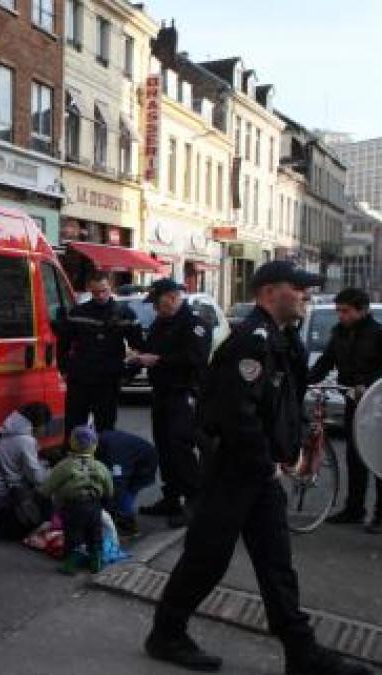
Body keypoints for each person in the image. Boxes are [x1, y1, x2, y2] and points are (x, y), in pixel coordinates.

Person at [145, 261, 371, 675]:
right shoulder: (250, 342)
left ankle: (301, 653)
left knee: (276, 564)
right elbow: (235, 415)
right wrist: (266, 462)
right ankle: (166, 633)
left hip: (259, 473)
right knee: (207, 558)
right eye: (298, 288)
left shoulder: (282, 340)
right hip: (233, 471)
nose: (306, 296)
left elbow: (282, 404)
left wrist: (299, 445)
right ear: (269, 292)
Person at [132, 278, 212, 528]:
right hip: (162, 392)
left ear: (171, 298)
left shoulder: (195, 324)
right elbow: (150, 347)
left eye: (157, 303)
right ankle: (171, 497)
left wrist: (158, 360)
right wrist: (136, 353)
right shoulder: (161, 323)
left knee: (180, 446)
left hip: (183, 392)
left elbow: (195, 358)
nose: (155, 308)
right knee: (164, 446)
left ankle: (195, 500)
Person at [308, 287, 382, 532]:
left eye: (346, 311)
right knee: (354, 455)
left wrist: (368, 384)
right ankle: (354, 508)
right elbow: (325, 362)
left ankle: (380, 515)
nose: (341, 316)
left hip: (376, 405)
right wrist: (305, 381)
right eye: (339, 311)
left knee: (377, 456)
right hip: (352, 400)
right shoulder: (339, 333)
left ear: (362, 310)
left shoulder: (377, 334)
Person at [57, 273, 145, 432]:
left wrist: (128, 373)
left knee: (105, 427)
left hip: (108, 380)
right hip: (80, 379)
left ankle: (102, 449)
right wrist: (64, 369)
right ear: (90, 290)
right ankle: (73, 449)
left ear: (110, 287)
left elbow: (138, 347)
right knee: (74, 426)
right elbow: (63, 343)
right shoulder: (78, 313)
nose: (100, 296)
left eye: (103, 291)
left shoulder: (125, 314)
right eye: (95, 292)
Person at [39, 426, 114, 575]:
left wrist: (44, 498)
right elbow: (109, 490)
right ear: (95, 446)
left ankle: (70, 566)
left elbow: (48, 487)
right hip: (94, 506)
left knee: (73, 537)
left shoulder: (65, 465)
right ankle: (96, 564)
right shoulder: (101, 467)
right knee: (95, 536)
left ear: (71, 443)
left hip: (73, 507)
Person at [0, 402, 51, 540]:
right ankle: (4, 528)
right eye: (45, 425)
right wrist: (50, 473)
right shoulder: (26, 441)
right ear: (38, 424)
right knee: (45, 495)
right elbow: (37, 478)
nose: (45, 430)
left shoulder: (1, 431)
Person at [95, 428, 159, 537]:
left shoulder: (116, 451)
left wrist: (109, 507)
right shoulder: (103, 441)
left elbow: (119, 481)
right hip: (134, 460)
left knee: (125, 493)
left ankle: (127, 523)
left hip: (143, 467)